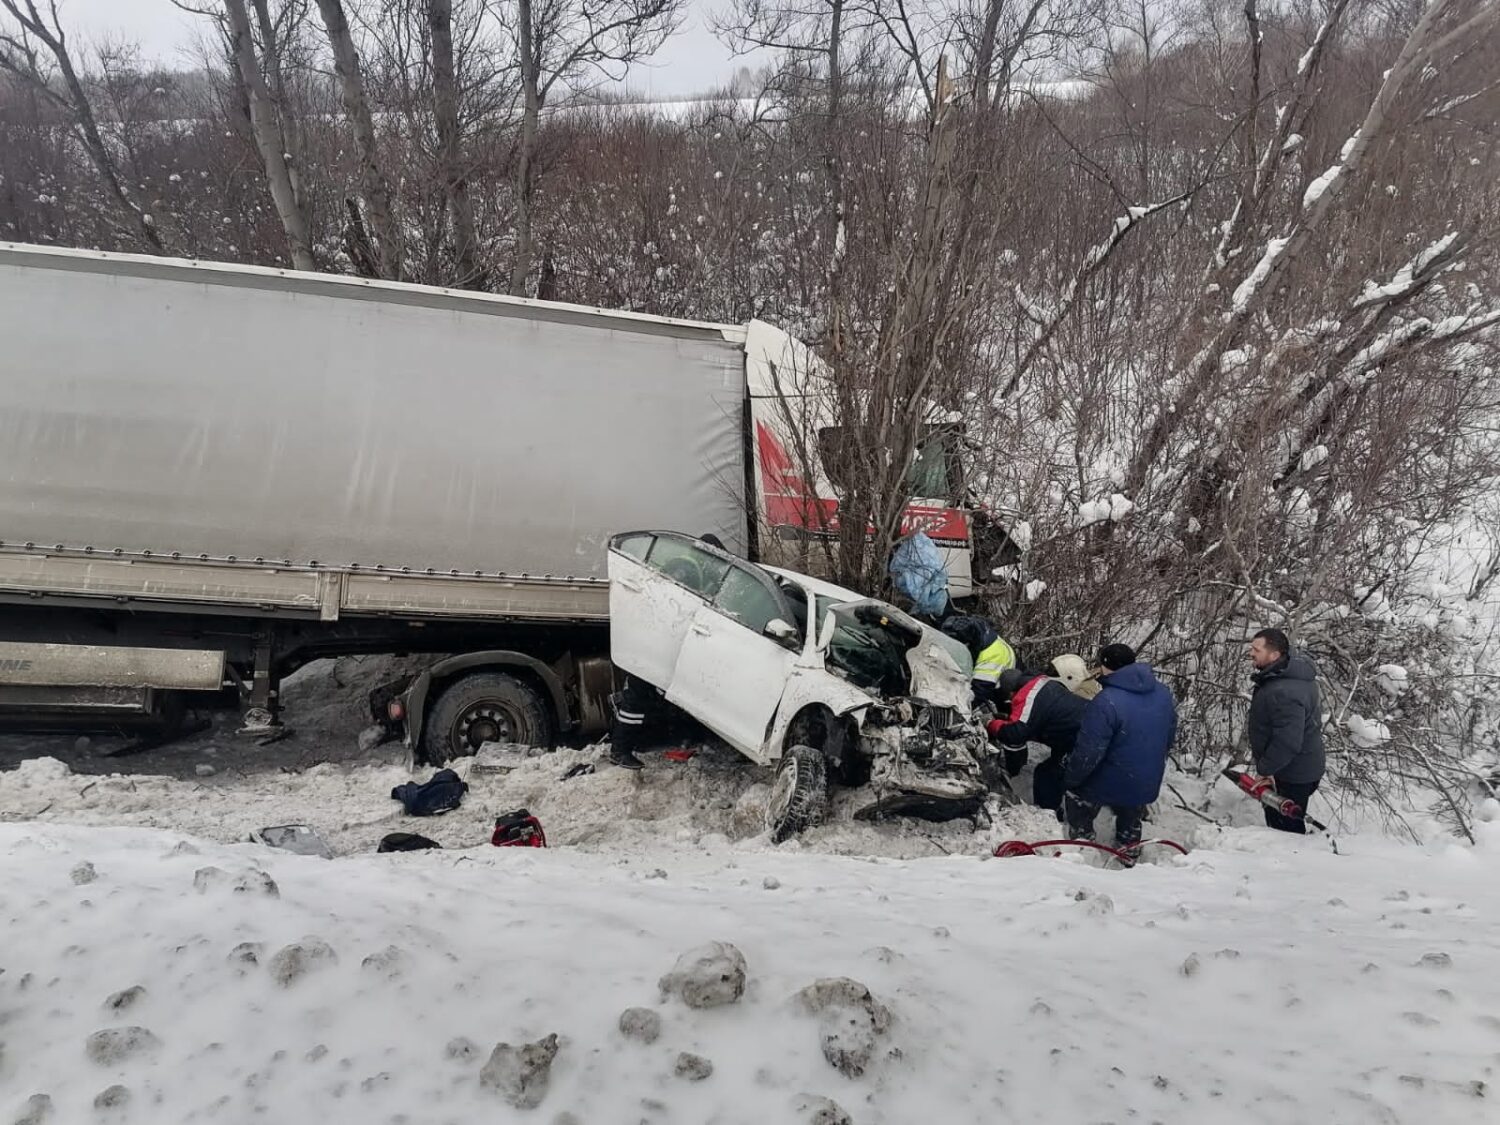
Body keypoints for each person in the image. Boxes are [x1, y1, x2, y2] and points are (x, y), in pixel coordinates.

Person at [1062, 643, 1177, 850]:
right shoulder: (1163, 692)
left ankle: (1083, 844)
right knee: (1130, 803)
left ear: (1106, 666)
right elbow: (1169, 736)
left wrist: (1070, 778)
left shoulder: (1106, 701)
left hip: (1114, 780)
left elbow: (1089, 753)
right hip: (1147, 781)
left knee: (1076, 794)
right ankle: (1129, 845)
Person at [1246, 628, 1325, 833]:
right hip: (1297, 768)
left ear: (1274, 655)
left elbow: (1287, 741)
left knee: (1286, 835)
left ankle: (1296, 863)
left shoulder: (1284, 691)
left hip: (1291, 774)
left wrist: (1266, 770)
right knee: (1284, 828)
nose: (1251, 653)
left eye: (1256, 649)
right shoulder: (1287, 677)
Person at [986, 667, 1088, 811]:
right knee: (1053, 770)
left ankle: (1048, 814)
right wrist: (1006, 719)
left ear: (1011, 691)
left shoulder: (1027, 695)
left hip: (1081, 741)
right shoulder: (1041, 683)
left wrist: (991, 724)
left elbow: (1016, 732)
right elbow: (1036, 716)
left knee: (1047, 775)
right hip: (1082, 730)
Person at [938, 614, 1016, 709]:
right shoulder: (973, 627)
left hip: (997, 695)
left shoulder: (992, 656)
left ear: (967, 644)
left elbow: (978, 694)